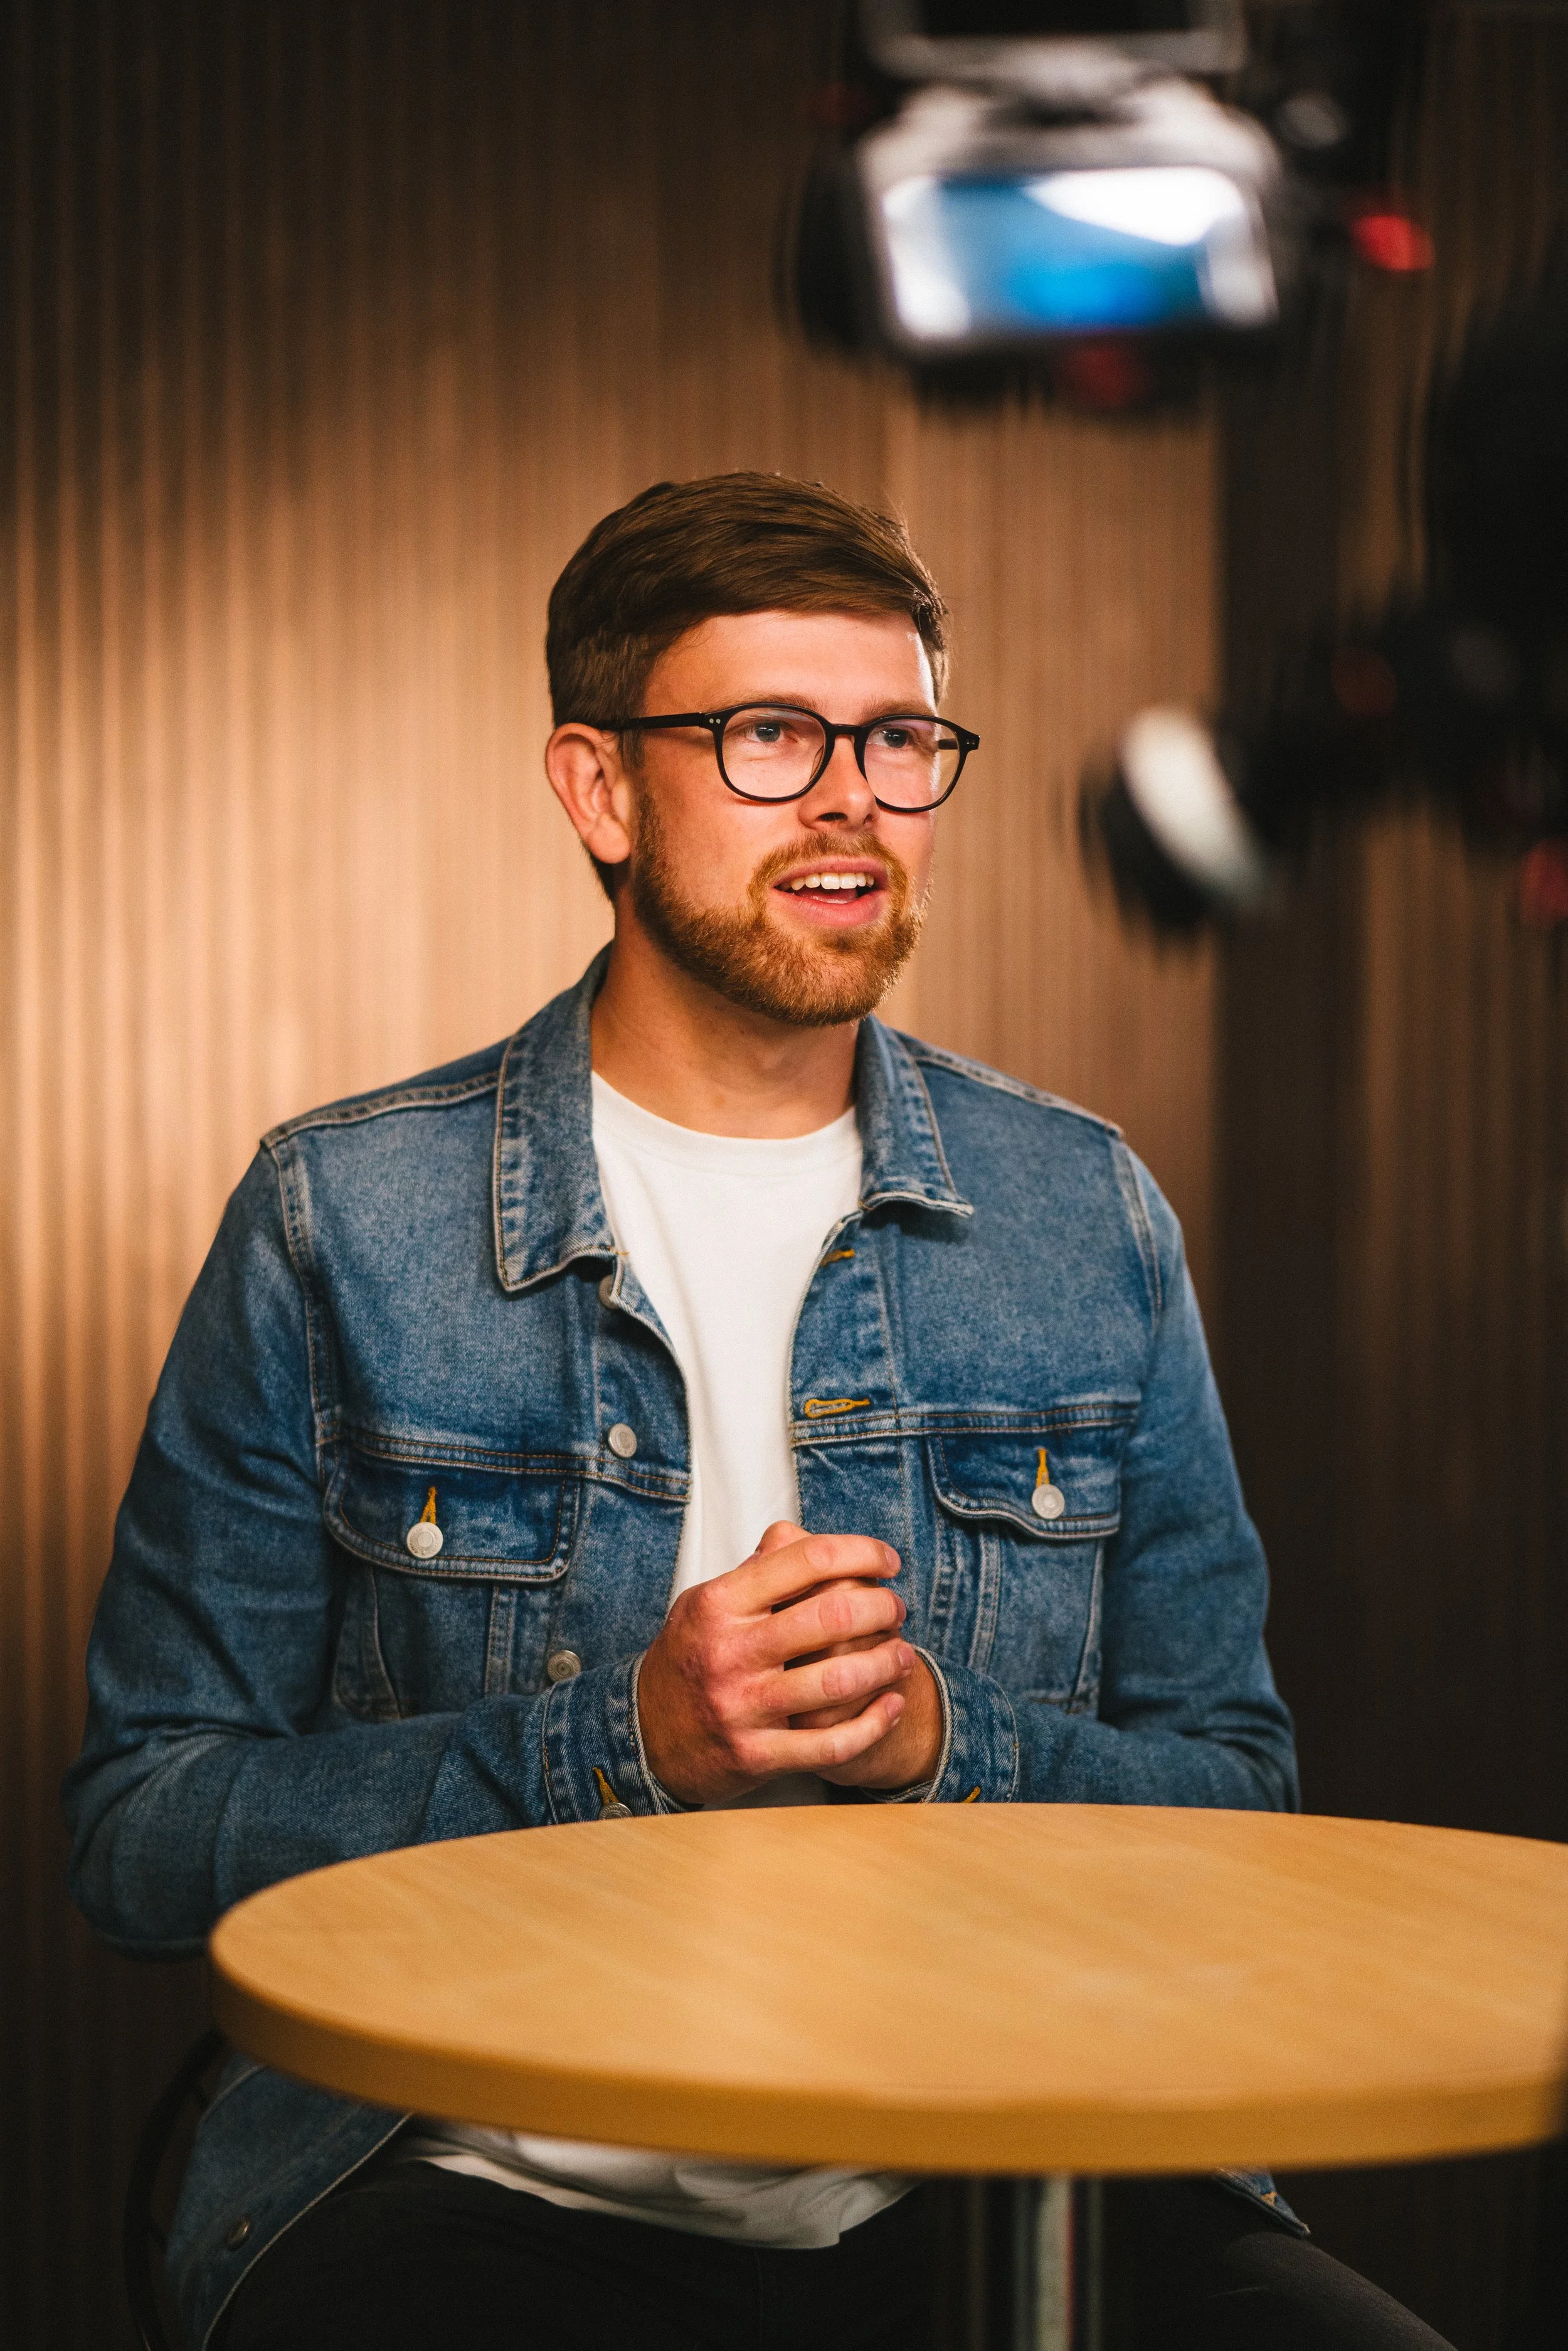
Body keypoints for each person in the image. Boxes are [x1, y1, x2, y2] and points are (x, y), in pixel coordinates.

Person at [65, 473, 1451, 2351]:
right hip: (479, 2186)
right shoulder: (342, 1220)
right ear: (599, 788)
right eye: (766, 734)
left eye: (896, 739)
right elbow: (142, 1833)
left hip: (1002, 2167)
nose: (852, 800)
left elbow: (1238, 1796)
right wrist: (614, 1745)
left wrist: (942, 1745)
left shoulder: (1080, 1211)